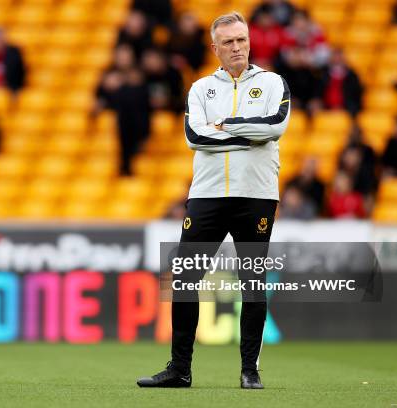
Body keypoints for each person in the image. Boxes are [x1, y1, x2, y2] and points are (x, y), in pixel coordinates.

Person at [137, 12, 290, 390]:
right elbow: (194, 136)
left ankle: (250, 371)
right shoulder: (201, 88)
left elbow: (275, 126)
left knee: (252, 283)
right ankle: (180, 369)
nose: (236, 47)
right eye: (228, 42)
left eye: (241, 39)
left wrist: (224, 125)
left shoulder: (272, 82)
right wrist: (249, 131)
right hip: (206, 196)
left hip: (256, 195)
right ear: (215, 48)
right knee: (186, 280)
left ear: (249, 41)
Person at [95, 45, 150, 175]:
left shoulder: (140, 74)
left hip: (136, 121)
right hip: (119, 119)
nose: (123, 59)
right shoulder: (108, 75)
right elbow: (98, 97)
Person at [314, 49, 363, 117]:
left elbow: (357, 93)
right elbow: (317, 90)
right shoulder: (322, 73)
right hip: (325, 107)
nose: (337, 59)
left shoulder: (351, 75)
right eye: (335, 56)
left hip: (346, 108)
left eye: (339, 56)